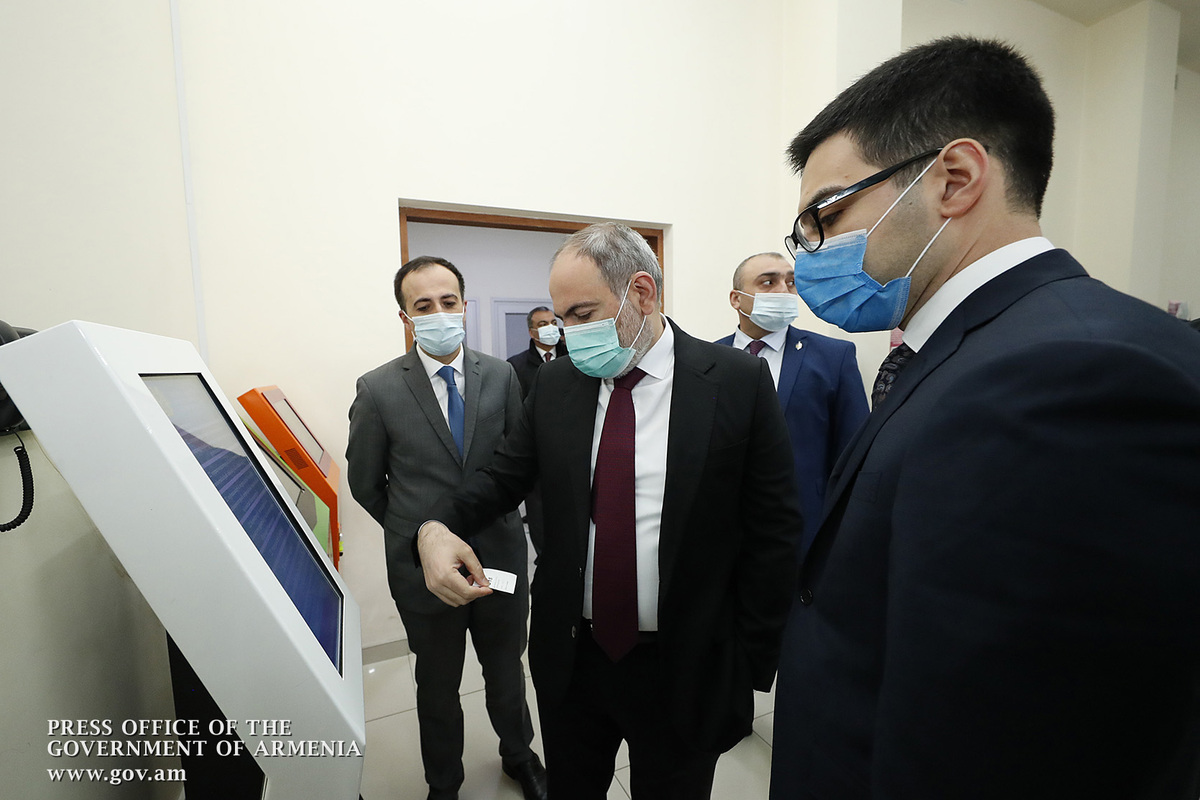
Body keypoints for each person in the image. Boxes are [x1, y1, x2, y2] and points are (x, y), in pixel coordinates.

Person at [771, 35, 1200, 800]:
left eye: (826, 217)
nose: (811, 256)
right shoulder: (970, 347)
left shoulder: (1069, 378)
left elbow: (1009, 744)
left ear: (956, 179)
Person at [414, 222, 801, 799]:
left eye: (583, 314)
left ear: (641, 293)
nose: (568, 333)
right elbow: (501, 478)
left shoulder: (735, 381)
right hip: (575, 658)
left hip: (685, 661)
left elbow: (775, 528)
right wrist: (435, 526)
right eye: (561, 317)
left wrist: (751, 660)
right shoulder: (558, 384)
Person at [345, 256, 547, 800]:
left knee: (507, 671)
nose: (439, 312)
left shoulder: (501, 375)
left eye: (448, 301)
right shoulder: (379, 389)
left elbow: (520, 465)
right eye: (424, 305)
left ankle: (519, 755)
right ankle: (444, 782)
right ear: (406, 317)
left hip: (500, 555)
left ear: (464, 304)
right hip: (424, 574)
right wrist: (420, 537)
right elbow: (366, 483)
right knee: (436, 684)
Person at [716, 251, 869, 554]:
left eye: (790, 283)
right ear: (736, 299)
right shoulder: (710, 360)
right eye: (768, 282)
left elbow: (854, 454)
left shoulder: (833, 357)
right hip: (725, 532)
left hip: (806, 530)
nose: (783, 291)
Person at [508, 306, 568, 397]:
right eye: (543, 324)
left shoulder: (571, 358)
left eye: (554, 323)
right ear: (531, 332)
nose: (550, 328)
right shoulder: (517, 365)